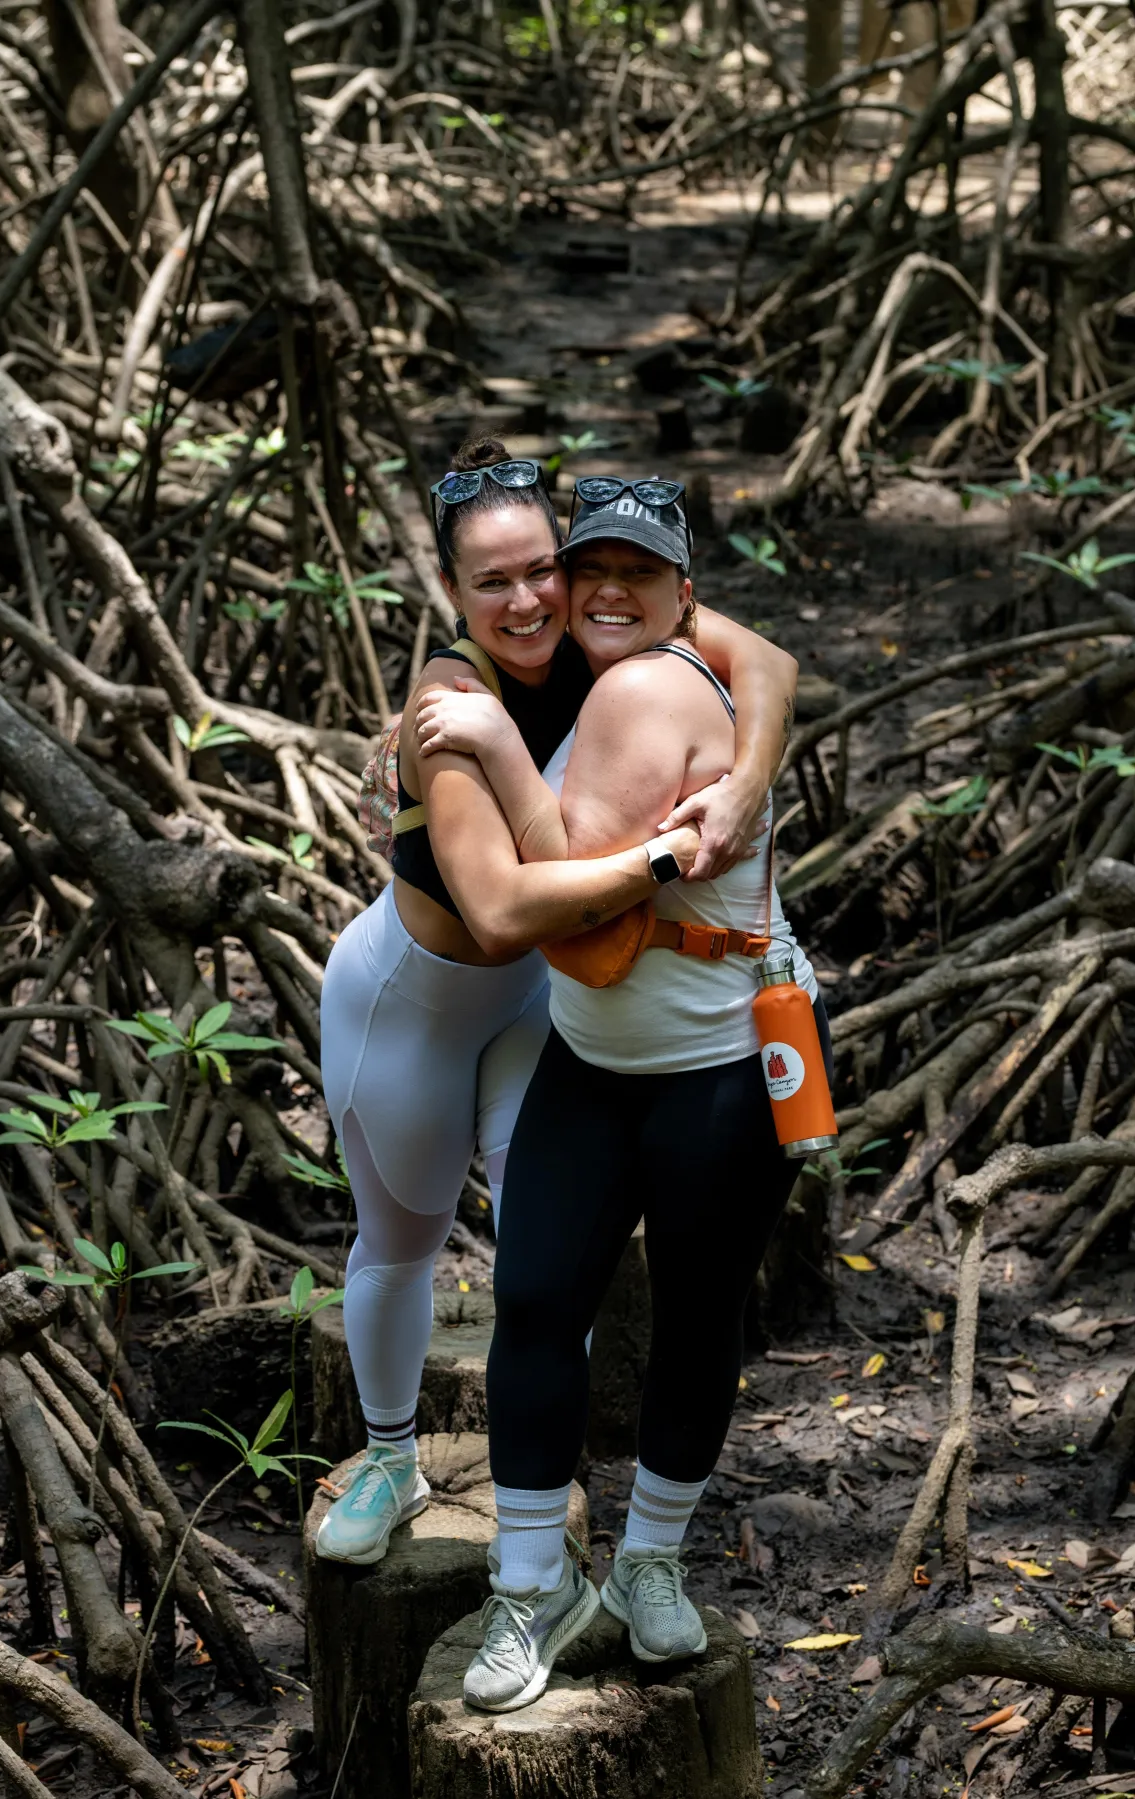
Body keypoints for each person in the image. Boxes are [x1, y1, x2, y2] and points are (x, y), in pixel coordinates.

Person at [314, 441, 799, 1567]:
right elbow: (497, 913)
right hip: (414, 1003)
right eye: (493, 581)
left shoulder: (603, 629)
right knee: (403, 1237)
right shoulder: (449, 704)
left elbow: (768, 660)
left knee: (546, 1266)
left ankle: (537, 1499)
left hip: (543, 1003)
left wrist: (745, 784)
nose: (528, 601)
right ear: (452, 591)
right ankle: (388, 1453)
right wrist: (668, 857)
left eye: (543, 569)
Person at [412, 478, 828, 1713]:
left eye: (636, 573)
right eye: (585, 565)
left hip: (716, 1074)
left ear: (683, 596)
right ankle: (532, 1581)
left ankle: (648, 1560)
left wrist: (496, 747)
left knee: (693, 1315)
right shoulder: (612, 664)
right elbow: (773, 661)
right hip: (592, 1062)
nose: (601, 590)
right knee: (539, 1302)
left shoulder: (646, 685)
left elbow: (573, 896)